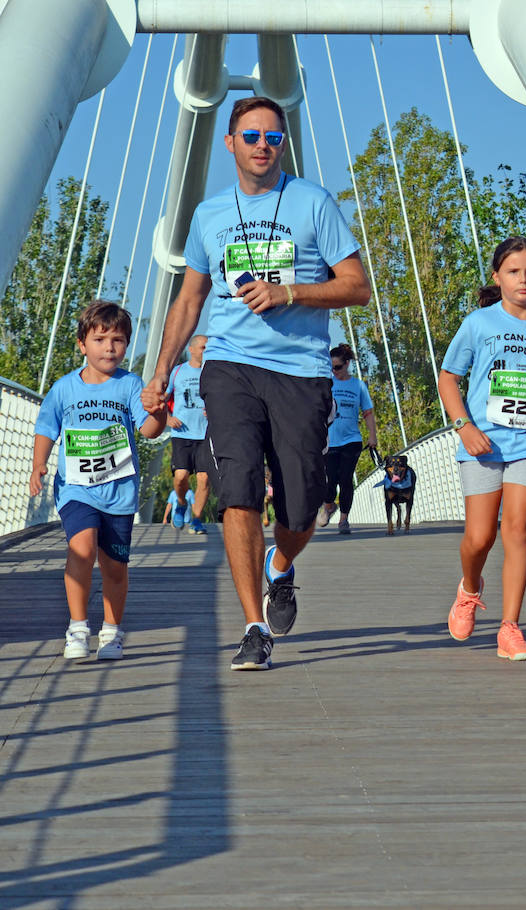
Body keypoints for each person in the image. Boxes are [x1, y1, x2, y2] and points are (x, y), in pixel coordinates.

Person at [142, 95, 370, 671]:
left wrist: (291, 292)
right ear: (230, 144)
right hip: (230, 367)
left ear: (283, 144)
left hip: (301, 372)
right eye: (251, 136)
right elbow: (190, 296)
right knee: (236, 489)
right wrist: (162, 368)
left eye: (273, 136)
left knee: (303, 507)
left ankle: (281, 565)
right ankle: (252, 627)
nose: (263, 145)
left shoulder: (314, 203)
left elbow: (356, 285)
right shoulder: (209, 214)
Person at [439, 236, 526, 661]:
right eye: (514, 271)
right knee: (479, 538)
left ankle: (510, 628)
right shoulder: (478, 324)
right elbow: (449, 379)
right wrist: (464, 428)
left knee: (518, 527)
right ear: (497, 277)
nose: (524, 279)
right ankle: (469, 588)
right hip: (482, 442)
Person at [30, 301, 168, 661]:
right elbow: (46, 428)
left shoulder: (130, 385)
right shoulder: (64, 389)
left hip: (118, 492)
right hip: (77, 488)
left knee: (114, 567)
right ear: (82, 344)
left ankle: (111, 631)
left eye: (119, 340)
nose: (109, 347)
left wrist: (159, 412)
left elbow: (150, 431)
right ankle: (77, 628)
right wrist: (38, 465)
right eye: (100, 339)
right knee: (82, 548)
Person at [317, 342, 377, 535]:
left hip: (351, 440)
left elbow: (367, 412)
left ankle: (344, 519)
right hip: (329, 440)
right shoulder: (327, 382)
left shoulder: (358, 385)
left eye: (338, 367)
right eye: (331, 367)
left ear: (347, 364)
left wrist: (372, 436)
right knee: (329, 481)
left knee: (345, 479)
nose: (334, 371)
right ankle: (328, 505)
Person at [165, 334, 212, 534]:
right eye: (202, 347)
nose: (205, 351)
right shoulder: (177, 372)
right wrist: (167, 419)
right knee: (181, 476)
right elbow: (161, 399)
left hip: (207, 434)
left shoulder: (215, 373)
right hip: (182, 434)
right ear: (192, 349)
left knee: (204, 478)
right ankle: (182, 503)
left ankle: (196, 519)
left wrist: (215, 410)